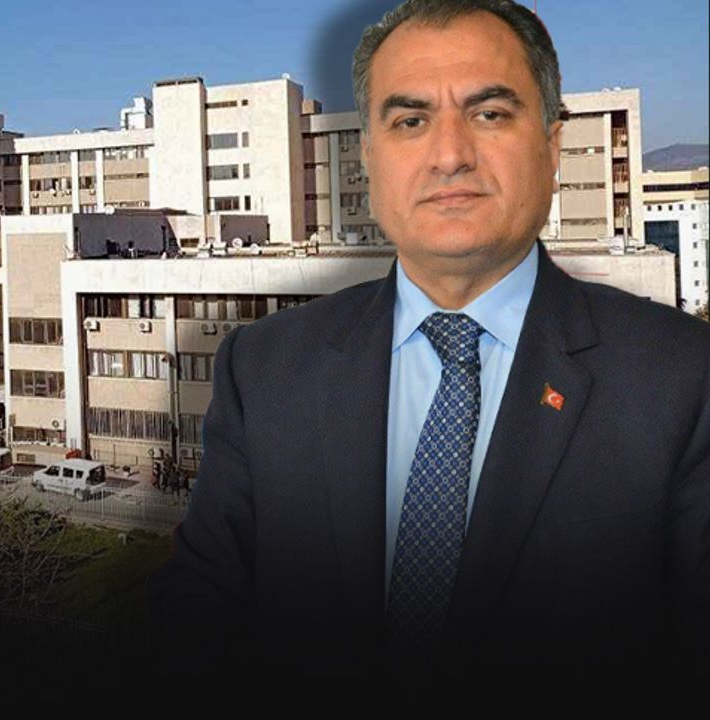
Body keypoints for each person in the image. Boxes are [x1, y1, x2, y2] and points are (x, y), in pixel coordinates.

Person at [146, 0, 709, 701]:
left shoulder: (684, 381)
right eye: (410, 121)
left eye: (490, 114)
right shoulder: (263, 370)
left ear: (552, 146)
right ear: (369, 158)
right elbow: (197, 629)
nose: (449, 155)